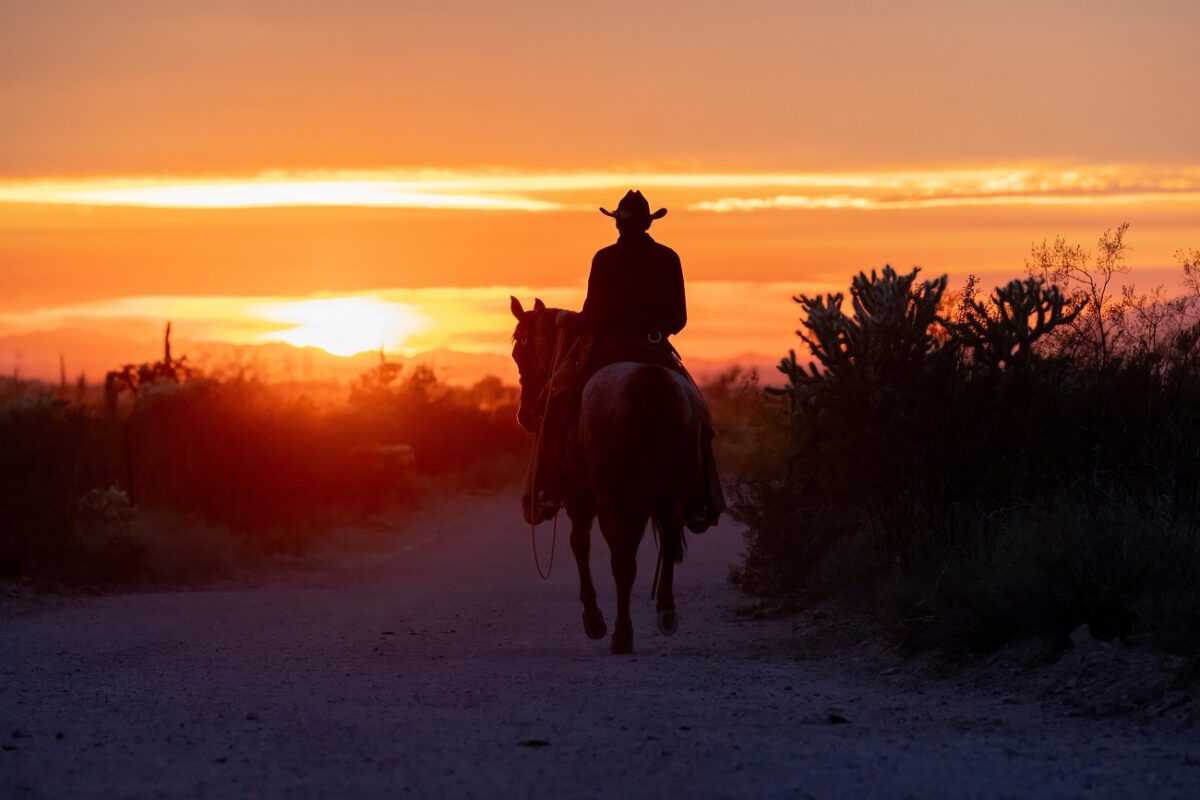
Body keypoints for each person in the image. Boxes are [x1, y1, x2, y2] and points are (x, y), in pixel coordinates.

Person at [530, 189, 725, 532]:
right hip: (656, 349)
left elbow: (591, 318)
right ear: (648, 223)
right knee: (700, 416)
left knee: (555, 406)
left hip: (609, 351)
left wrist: (567, 321)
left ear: (618, 224)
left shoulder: (604, 258)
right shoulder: (668, 257)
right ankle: (702, 497)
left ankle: (547, 489)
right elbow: (678, 320)